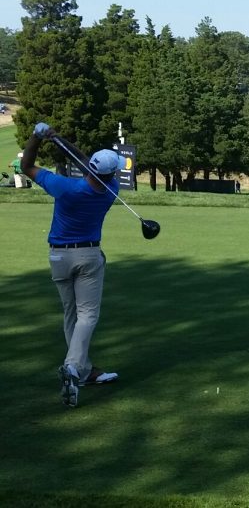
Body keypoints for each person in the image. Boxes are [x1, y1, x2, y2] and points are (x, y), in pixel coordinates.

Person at [20, 122, 123, 408]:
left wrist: (39, 138)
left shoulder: (64, 188)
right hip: (88, 256)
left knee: (71, 315)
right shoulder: (110, 189)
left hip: (58, 257)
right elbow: (86, 162)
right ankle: (73, 367)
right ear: (111, 173)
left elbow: (27, 166)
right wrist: (59, 140)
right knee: (88, 315)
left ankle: (84, 369)